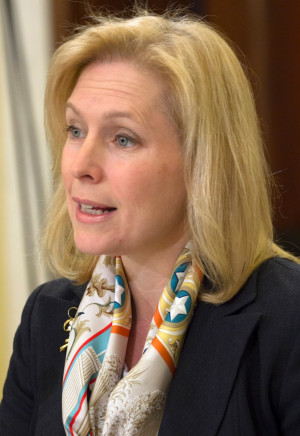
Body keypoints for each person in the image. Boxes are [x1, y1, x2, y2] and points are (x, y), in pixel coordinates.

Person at [1, 8, 300, 436]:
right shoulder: (45, 318)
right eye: (75, 130)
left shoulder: (287, 321)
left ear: (203, 162)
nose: (80, 166)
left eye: (122, 138)